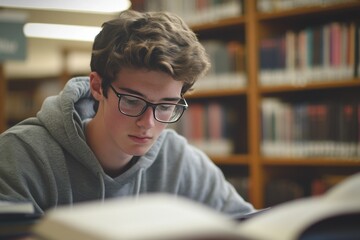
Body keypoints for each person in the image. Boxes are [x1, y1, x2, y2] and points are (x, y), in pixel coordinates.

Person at [0, 10, 254, 216]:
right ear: (98, 87)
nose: (148, 123)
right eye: (132, 101)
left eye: (166, 106)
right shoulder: (19, 156)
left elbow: (245, 225)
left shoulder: (181, 162)